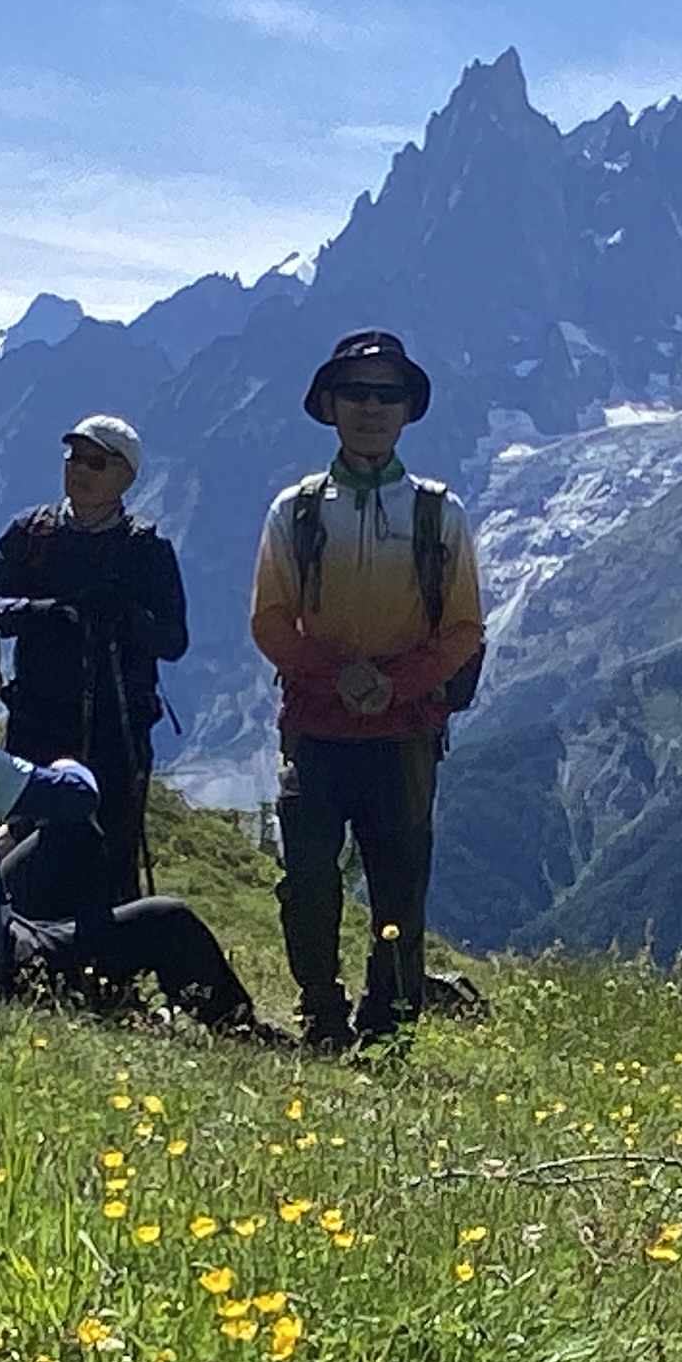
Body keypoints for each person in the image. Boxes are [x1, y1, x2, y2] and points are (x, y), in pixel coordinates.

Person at [0, 609, 267, 1033]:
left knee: (69, 836)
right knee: (167, 919)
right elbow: (77, 796)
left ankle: (98, 978)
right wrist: (68, 764)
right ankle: (236, 1027)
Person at [250, 330, 484, 1050]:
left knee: (398, 884)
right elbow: (269, 619)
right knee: (308, 879)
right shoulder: (295, 511)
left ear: (409, 408)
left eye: (388, 394)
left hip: (401, 731)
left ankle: (388, 1021)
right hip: (318, 729)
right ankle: (322, 1009)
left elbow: (464, 629)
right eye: (356, 393)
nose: (372, 407)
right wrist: (343, 678)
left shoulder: (439, 513)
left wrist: (390, 685)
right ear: (329, 405)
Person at [0, 412, 188, 903]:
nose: (80, 469)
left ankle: (106, 945)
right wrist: (46, 611)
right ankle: (26, 934)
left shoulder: (146, 549)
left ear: (126, 477)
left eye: (96, 462)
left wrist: (126, 615)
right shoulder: (31, 534)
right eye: (74, 457)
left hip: (118, 732)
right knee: (25, 840)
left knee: (111, 850)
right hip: (37, 722)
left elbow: (173, 639)